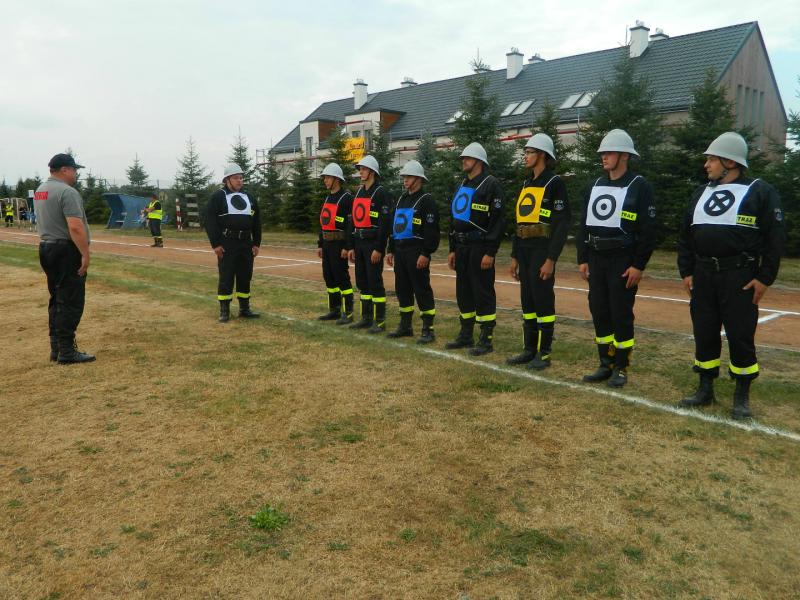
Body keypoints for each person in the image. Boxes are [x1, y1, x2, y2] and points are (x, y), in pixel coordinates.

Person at [677, 132, 784, 420]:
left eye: (712, 159)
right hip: (703, 275)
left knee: (740, 334)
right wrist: (686, 270)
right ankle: (705, 388)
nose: (706, 165)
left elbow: (775, 240)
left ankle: (741, 395)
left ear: (730, 162)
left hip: (740, 277)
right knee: (704, 331)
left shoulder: (760, 192)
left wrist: (765, 278)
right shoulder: (700, 193)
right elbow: (686, 235)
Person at [576, 129, 657, 387]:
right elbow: (583, 224)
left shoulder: (640, 186)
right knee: (599, 310)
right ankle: (605, 363)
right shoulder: (594, 186)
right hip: (596, 258)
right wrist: (583, 258)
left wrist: (638, 265)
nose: (604, 157)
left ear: (624, 156)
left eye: (609, 152)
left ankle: (621, 366)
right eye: (602, 153)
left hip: (622, 260)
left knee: (620, 313)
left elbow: (648, 231)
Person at [507, 133, 570, 369]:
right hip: (524, 249)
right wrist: (514, 256)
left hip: (542, 250)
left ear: (542, 154)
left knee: (542, 300)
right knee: (527, 300)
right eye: (525, 152)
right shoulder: (526, 184)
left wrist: (551, 258)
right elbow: (520, 221)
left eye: (529, 152)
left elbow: (562, 224)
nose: (525, 156)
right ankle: (529, 349)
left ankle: (544, 353)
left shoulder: (554, 183)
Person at [34, 153, 95, 364]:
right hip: (66, 250)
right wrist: (85, 254)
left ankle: (57, 348)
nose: (76, 174)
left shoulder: (41, 190)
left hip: (47, 247)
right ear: (64, 170)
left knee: (57, 298)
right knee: (70, 300)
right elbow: (75, 227)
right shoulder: (67, 192)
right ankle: (67, 351)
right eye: (74, 169)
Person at [446, 142, 505, 355]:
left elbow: (498, 221)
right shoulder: (463, 184)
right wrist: (452, 248)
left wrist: (490, 251)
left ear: (479, 161)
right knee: (463, 291)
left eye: (468, 158)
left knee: (482, 292)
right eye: (463, 158)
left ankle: (486, 339)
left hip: (479, 247)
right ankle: (466, 334)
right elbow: (454, 218)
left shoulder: (491, 185)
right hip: (461, 247)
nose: (463, 161)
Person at [385, 160, 440, 344]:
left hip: (416, 251)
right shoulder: (401, 199)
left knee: (421, 289)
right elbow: (394, 226)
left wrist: (426, 253)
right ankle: (405, 326)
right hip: (400, 251)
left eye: (408, 177)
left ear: (418, 178)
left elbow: (432, 231)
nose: (405, 180)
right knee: (402, 289)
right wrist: (391, 249)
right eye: (404, 177)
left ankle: (428, 329)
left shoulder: (426, 200)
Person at [205, 164, 262, 322]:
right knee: (227, 276)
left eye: (241, 178)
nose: (239, 181)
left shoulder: (249, 197)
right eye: (236, 178)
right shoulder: (218, 197)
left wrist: (256, 243)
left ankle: (244, 308)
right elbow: (209, 221)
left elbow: (257, 221)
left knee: (245, 275)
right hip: (227, 243)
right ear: (227, 180)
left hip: (246, 243)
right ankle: (224, 310)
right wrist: (216, 244)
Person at [347, 155, 392, 333]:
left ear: (372, 172)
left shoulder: (381, 193)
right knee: (362, 281)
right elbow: (353, 221)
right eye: (360, 169)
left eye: (364, 169)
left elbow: (385, 224)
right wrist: (351, 246)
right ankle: (366, 318)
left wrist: (379, 248)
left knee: (374, 282)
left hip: (373, 244)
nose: (361, 172)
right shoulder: (359, 192)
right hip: (359, 243)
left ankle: (379, 321)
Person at [316, 163, 355, 324]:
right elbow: (323, 222)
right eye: (324, 178)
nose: (325, 180)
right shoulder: (327, 198)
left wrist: (347, 246)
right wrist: (320, 243)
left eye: (327, 177)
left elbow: (350, 225)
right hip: (327, 244)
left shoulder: (347, 198)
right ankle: (334, 310)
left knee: (341, 277)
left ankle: (348, 312)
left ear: (336, 179)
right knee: (329, 276)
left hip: (339, 244)